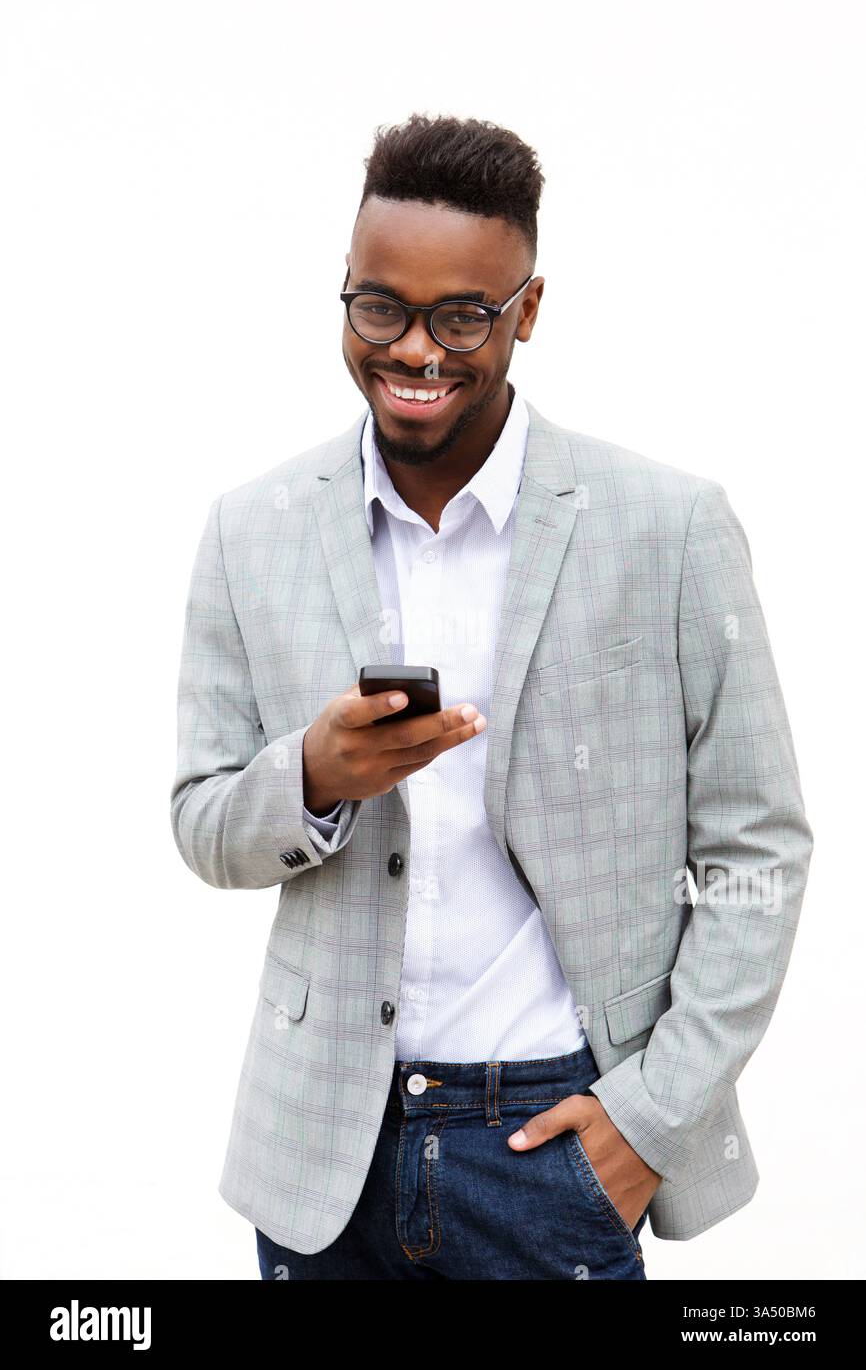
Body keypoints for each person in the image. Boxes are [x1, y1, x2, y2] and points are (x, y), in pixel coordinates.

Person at [170, 113, 813, 1280]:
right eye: (380, 308)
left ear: (527, 309)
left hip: (551, 1142)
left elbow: (755, 847)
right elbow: (203, 824)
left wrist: (647, 1119)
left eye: (462, 315)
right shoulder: (250, 529)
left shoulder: (666, 528)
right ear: (345, 292)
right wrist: (311, 775)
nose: (415, 350)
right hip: (321, 1162)